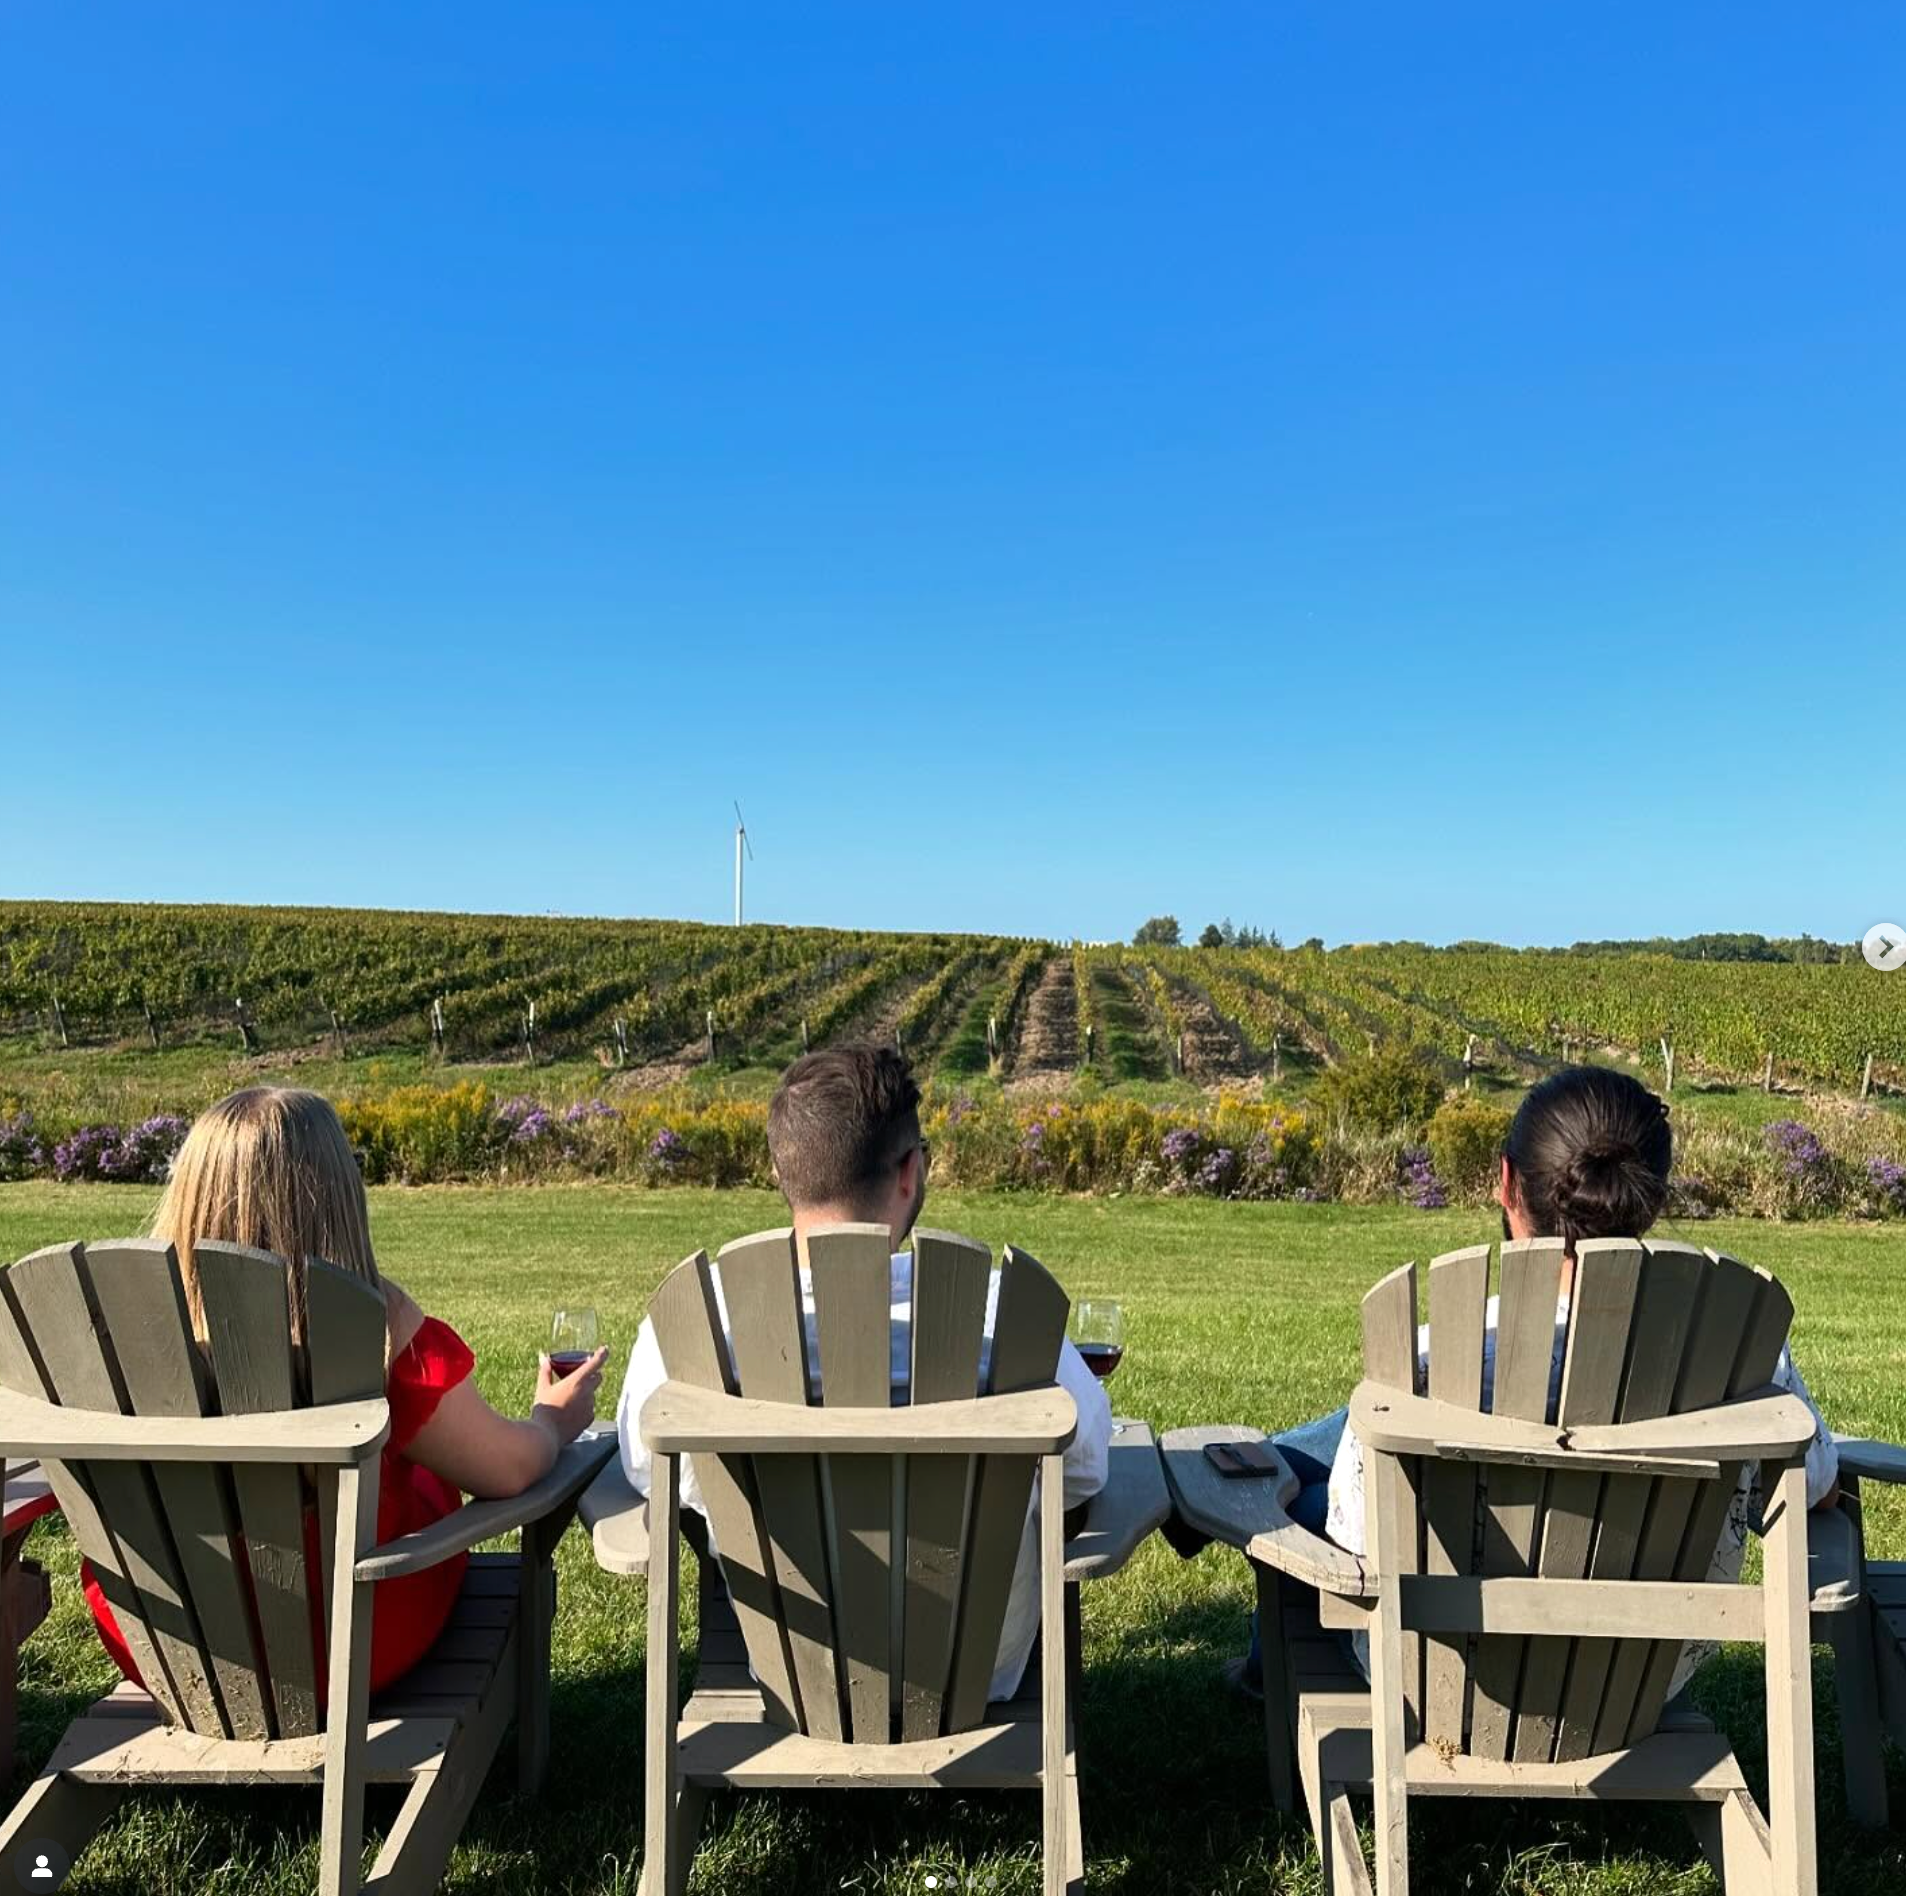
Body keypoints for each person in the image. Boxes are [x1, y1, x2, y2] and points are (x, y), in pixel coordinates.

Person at [1233, 1065, 1838, 1698]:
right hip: (1642, 1679)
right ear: (1651, 1196)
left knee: (1298, 1506)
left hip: (1439, 1671)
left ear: (1505, 1183)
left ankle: (1251, 1507)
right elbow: (1815, 1484)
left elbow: (1354, 1534)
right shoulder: (1739, 1349)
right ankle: (1267, 1459)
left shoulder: (1435, 1360)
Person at [617, 1043, 1113, 1702]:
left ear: (779, 1170)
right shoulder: (1005, 1316)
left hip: (793, 1674)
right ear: (910, 1171)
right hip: (975, 1673)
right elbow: (1085, 1472)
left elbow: (649, 1469)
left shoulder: (697, 1324)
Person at [84, 1086, 607, 1696]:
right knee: (422, 1472)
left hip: (163, 1638)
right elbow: (508, 1471)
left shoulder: (122, 1327)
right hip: (351, 1641)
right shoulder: (376, 1324)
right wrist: (550, 1422)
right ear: (337, 1197)